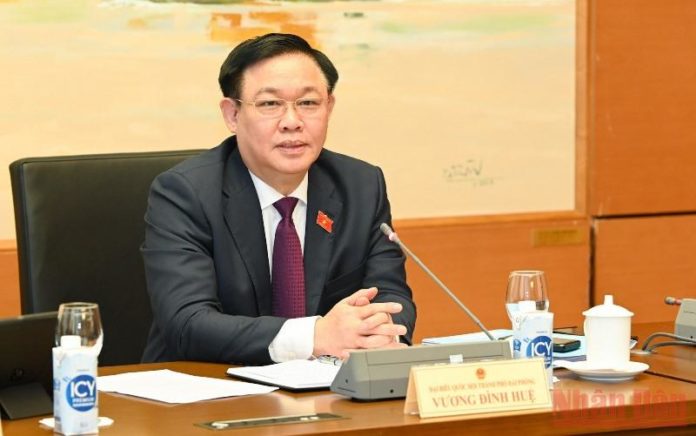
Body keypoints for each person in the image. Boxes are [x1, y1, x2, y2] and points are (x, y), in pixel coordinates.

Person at [141, 33, 416, 365]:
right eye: (270, 104)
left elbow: (390, 296)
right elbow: (188, 323)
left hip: (329, 386)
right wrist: (314, 336)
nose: (292, 122)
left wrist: (378, 335)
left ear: (329, 108)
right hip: (210, 385)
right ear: (232, 115)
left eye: (308, 103)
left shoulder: (361, 186)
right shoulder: (185, 193)